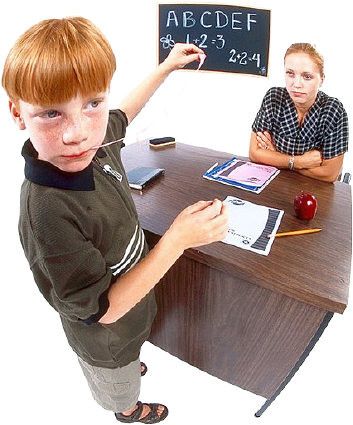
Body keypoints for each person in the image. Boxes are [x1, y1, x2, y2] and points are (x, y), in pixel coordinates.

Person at [2, 17, 228, 424]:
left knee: (130, 351)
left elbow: (124, 111)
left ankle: (131, 367)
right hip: (106, 339)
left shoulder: (97, 141)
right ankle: (128, 409)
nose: (78, 133)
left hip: (132, 318)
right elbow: (103, 310)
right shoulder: (48, 214)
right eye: (52, 113)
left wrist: (166, 66)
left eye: (92, 103)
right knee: (117, 378)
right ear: (17, 112)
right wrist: (176, 240)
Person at [249, 43, 349, 182]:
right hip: (277, 183)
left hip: (317, 190)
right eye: (290, 74)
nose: (296, 84)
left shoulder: (333, 110)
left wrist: (277, 157)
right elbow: (255, 154)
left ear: (321, 79)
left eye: (307, 77)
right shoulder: (274, 98)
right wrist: (299, 162)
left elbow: (329, 174)